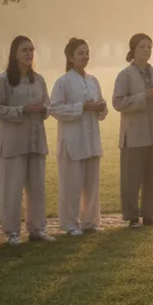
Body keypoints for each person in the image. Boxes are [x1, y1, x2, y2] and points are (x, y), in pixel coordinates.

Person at [0, 35, 53, 245]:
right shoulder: (4, 80)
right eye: (24, 50)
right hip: (14, 141)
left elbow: (48, 105)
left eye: (31, 50)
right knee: (13, 187)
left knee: (37, 186)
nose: (28, 54)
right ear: (15, 54)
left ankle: (37, 228)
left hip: (36, 139)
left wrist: (43, 109)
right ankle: (12, 232)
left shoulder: (39, 79)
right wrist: (22, 110)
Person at [50, 37, 108, 236]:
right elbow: (54, 109)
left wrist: (101, 107)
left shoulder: (93, 80)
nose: (85, 57)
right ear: (70, 57)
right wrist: (81, 107)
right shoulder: (63, 82)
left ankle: (90, 221)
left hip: (91, 138)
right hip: (72, 139)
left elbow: (101, 109)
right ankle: (70, 224)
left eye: (87, 53)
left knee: (92, 183)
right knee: (71, 184)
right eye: (80, 53)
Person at [113, 33, 153, 227]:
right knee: (132, 177)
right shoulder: (125, 75)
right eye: (142, 46)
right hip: (134, 134)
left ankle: (149, 214)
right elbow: (118, 102)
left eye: (149, 46)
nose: (147, 50)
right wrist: (143, 97)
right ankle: (131, 216)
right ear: (133, 50)